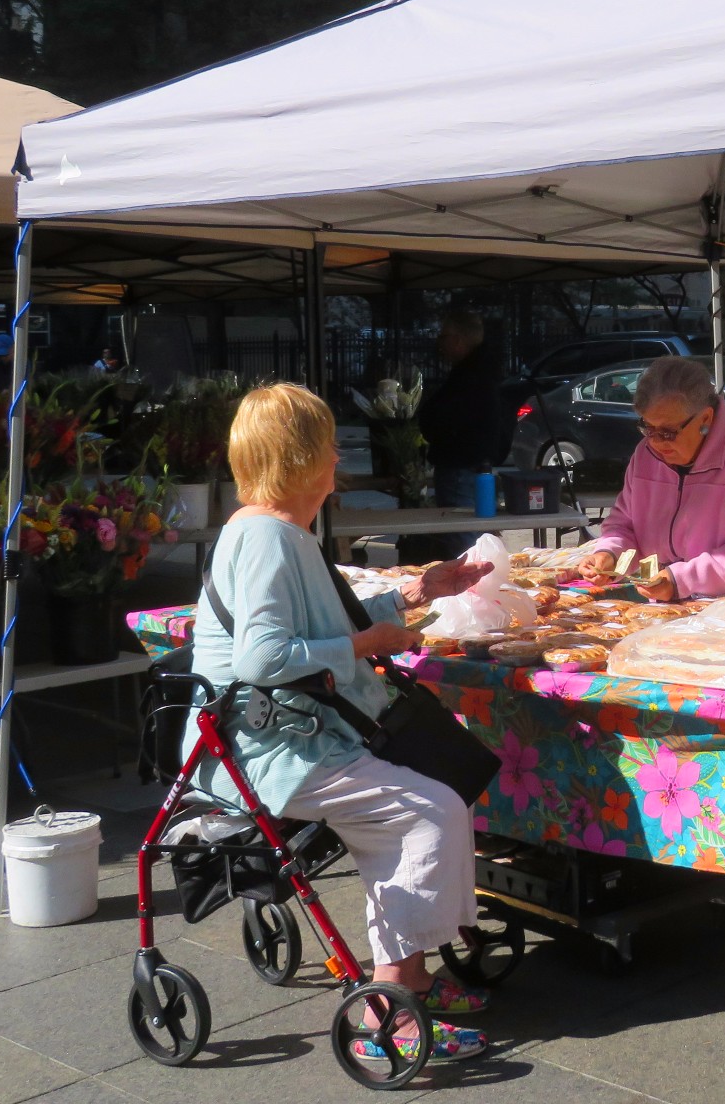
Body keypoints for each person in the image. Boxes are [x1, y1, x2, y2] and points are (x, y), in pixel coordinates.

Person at [190, 382, 498, 1065]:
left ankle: (412, 976)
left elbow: (325, 621)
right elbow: (263, 657)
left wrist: (420, 591)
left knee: (421, 806)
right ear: (301, 458)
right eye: (327, 442)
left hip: (288, 736)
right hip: (274, 747)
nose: (337, 455)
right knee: (428, 811)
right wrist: (365, 647)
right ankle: (391, 1001)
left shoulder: (274, 532)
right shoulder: (270, 538)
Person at [579, 356, 725, 603]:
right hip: (676, 600)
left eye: (667, 432)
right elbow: (625, 524)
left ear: (705, 419)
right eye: (648, 428)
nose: (655, 442)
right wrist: (610, 553)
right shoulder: (645, 455)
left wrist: (681, 579)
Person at [412, 311, 508, 559]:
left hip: (460, 464)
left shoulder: (471, 375)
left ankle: (472, 588)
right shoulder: (482, 370)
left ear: (458, 340)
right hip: (472, 464)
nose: (439, 345)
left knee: (463, 542)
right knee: (473, 537)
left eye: (443, 337)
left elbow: (451, 417)